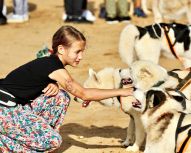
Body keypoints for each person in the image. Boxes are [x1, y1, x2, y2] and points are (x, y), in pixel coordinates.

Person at [0, 25, 133, 152]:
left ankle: (36, 138)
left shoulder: (51, 64)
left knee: (61, 97)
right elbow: (84, 94)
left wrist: (54, 84)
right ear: (61, 49)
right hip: (5, 109)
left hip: (15, 107)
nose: (81, 56)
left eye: (82, 51)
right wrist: (122, 91)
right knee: (53, 141)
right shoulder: (53, 67)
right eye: (77, 52)